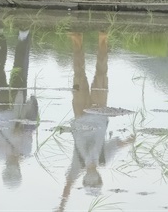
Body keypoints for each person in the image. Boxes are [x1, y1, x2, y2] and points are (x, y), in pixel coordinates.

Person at [56, 31, 134, 212]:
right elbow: (118, 145)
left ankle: (77, 41)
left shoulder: (78, 165)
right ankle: (103, 41)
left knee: (78, 77)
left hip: (80, 114)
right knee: (101, 75)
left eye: (89, 182)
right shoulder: (103, 159)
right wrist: (131, 140)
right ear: (100, 178)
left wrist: (61, 206)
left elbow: (68, 185)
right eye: (95, 181)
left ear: (85, 180)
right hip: (99, 111)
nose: (91, 179)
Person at [0, 29, 38, 188]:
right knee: (20, 72)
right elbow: (29, 128)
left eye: (8, 171)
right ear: (18, 170)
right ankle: (23, 38)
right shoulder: (26, 151)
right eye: (13, 170)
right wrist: (20, 131)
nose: (11, 166)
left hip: (0, 111)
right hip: (17, 108)